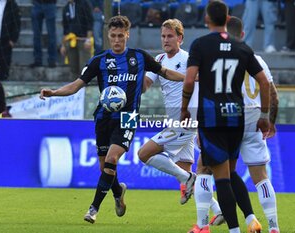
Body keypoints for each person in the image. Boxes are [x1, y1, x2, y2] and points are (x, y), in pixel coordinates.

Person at [40, 15, 186, 224]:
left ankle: (93, 208)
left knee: (112, 159)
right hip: (103, 117)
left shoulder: (140, 57)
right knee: (105, 167)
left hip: (128, 116)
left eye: (121, 36)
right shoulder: (99, 60)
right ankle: (118, 193)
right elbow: (76, 85)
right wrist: (53, 92)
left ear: (127, 35)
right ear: (108, 36)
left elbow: (165, 72)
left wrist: (189, 77)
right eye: (113, 36)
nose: (117, 40)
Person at [181, 1, 270, 233]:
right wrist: (265, 115)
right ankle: (250, 218)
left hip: (212, 118)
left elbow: (189, 80)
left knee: (219, 177)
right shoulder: (242, 47)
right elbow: (263, 82)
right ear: (227, 17)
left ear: (206, 19)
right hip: (236, 118)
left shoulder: (200, 45)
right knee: (229, 172)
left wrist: (183, 108)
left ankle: (233, 230)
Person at [139, 18, 204, 205]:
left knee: (144, 154)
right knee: (184, 176)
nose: (165, 40)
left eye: (170, 36)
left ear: (180, 38)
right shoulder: (158, 60)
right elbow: (145, 86)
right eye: (163, 36)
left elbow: (201, 89)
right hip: (175, 122)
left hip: (185, 121)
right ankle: (216, 212)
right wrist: (135, 72)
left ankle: (190, 179)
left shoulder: (188, 59)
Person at [229, 16, 280, 233]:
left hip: (229, 121)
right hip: (255, 120)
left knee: (218, 172)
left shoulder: (221, 62)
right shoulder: (258, 60)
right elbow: (273, 94)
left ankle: (206, 222)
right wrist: (270, 121)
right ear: (243, 34)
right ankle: (274, 227)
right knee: (261, 177)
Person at [60, 0, 94, 76]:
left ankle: (84, 87)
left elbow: (90, 22)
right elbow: (65, 29)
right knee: (73, 68)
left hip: (83, 40)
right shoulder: (66, 8)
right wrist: (63, 45)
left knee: (84, 68)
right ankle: (75, 87)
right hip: (70, 41)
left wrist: (88, 39)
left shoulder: (84, 3)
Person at [29, 0, 58, 68]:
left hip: (50, 4)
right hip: (37, 4)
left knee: (51, 35)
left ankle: (52, 60)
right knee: (36, 35)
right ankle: (38, 59)